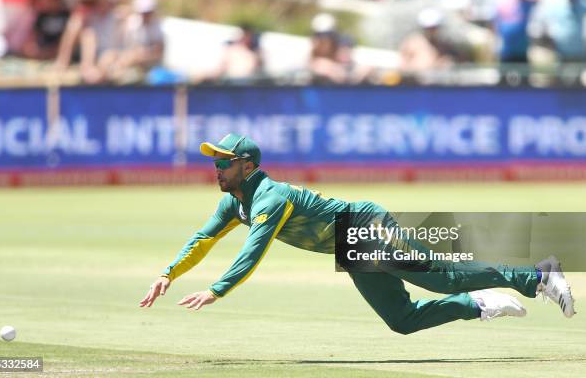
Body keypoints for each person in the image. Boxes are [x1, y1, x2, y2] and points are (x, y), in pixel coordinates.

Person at [140, 134, 575, 335]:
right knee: (401, 321)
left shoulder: (270, 198)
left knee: (439, 276)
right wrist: (169, 273)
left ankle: (539, 276)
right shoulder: (234, 202)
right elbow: (203, 239)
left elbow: (254, 250)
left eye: (224, 162)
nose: (216, 169)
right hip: (349, 245)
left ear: (247, 165)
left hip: (365, 225)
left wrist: (218, 289)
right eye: (215, 162)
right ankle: (477, 305)